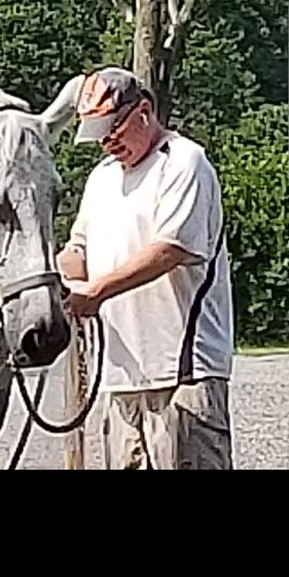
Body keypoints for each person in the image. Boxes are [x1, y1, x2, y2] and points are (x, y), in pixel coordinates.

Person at [57, 67, 234, 470]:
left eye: (113, 129)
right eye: (99, 133)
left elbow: (169, 249)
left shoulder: (184, 162)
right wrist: (53, 277)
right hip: (121, 374)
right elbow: (78, 248)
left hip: (183, 370)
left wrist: (97, 291)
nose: (106, 142)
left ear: (144, 111)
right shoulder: (101, 179)